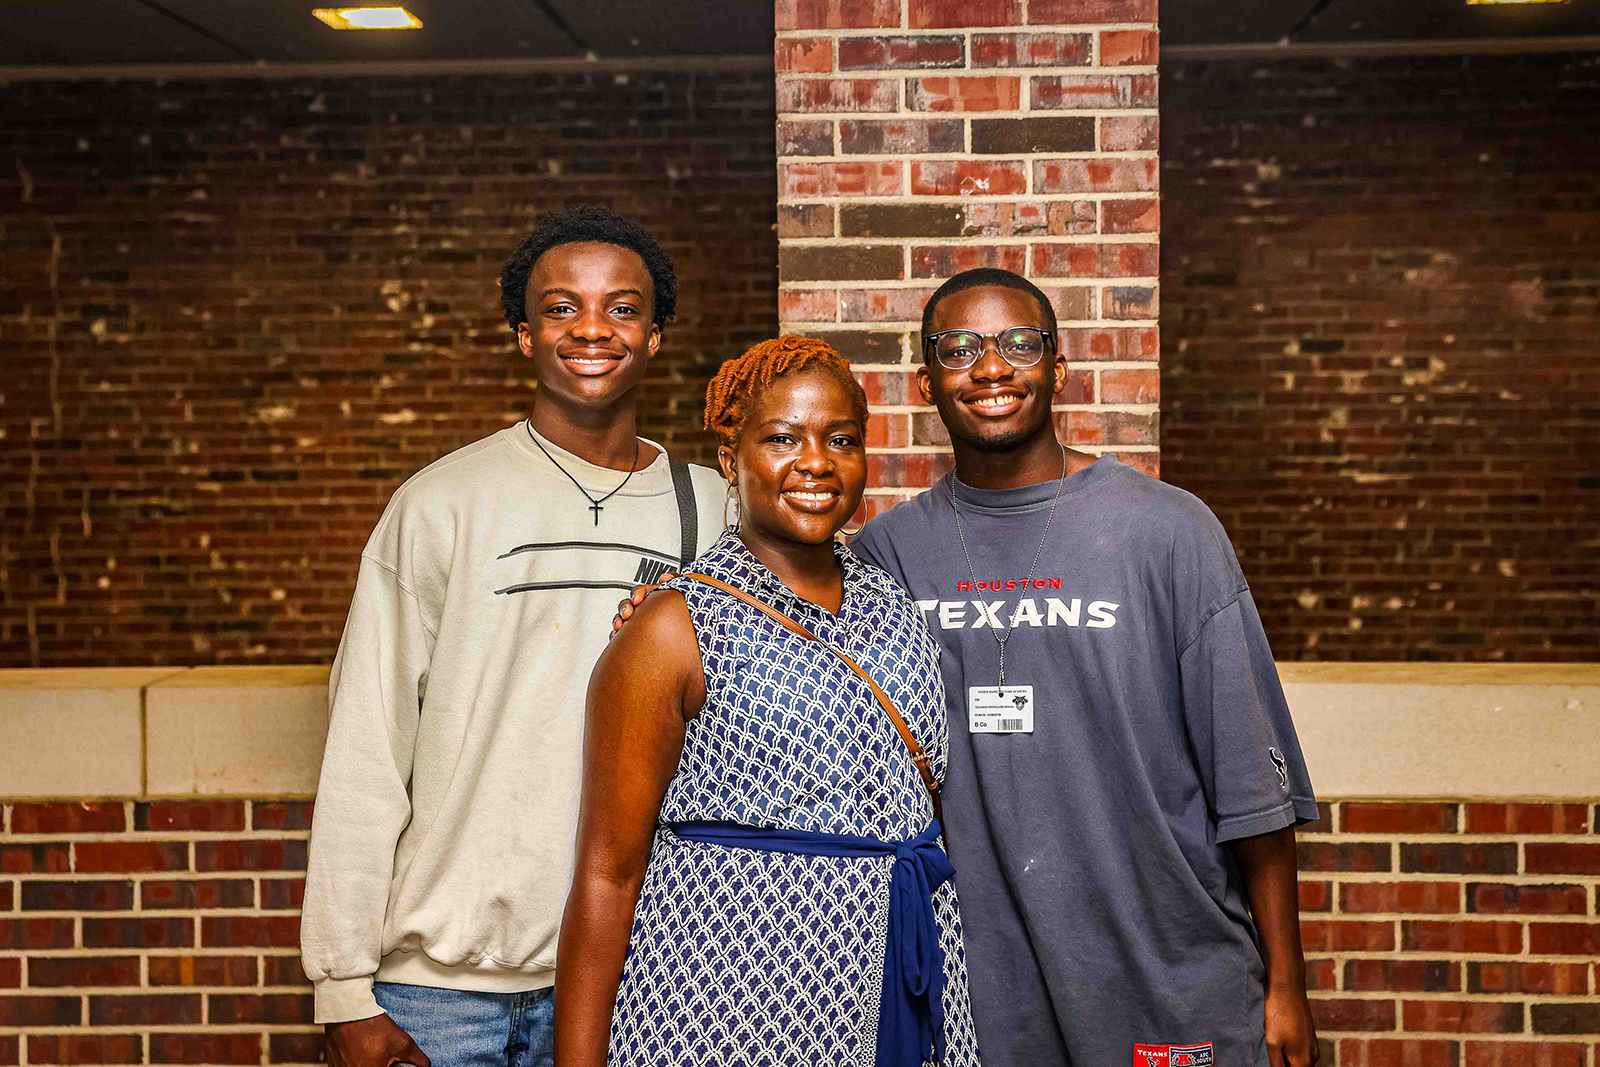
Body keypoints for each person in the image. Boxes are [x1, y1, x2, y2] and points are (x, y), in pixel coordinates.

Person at [615, 269, 1321, 1067]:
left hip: (1166, 970)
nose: (992, 367)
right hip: (985, 993)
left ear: (1057, 368)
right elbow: (776, 598)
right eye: (961, 348)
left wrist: (1286, 984)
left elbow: (1253, 791)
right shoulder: (887, 557)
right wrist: (663, 609)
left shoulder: (1170, 532)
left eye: (1021, 343)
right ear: (927, 381)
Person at [300, 205, 726, 1067]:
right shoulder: (439, 503)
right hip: (440, 989)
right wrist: (342, 986)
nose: (592, 328)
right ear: (524, 334)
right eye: (562, 307)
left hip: (638, 972)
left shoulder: (716, 510)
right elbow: (366, 745)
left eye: (623, 307)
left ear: (654, 335)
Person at [556, 336, 981, 1067]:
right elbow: (607, 872)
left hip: (891, 982)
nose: (815, 462)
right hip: (726, 1003)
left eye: (840, 440)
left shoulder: (895, 605)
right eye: (782, 438)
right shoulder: (673, 627)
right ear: (731, 461)